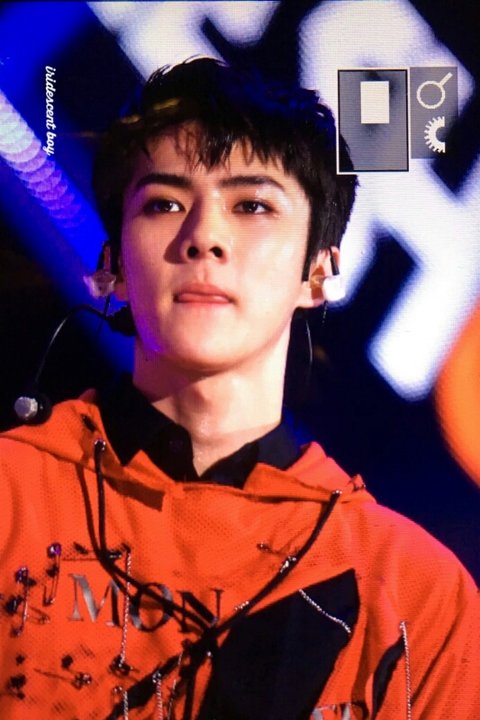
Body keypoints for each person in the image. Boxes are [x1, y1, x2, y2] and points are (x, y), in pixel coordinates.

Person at [0, 57, 478, 720]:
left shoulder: (414, 593)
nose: (205, 237)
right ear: (112, 266)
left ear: (320, 273)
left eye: (252, 205)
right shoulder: (12, 493)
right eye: (165, 203)